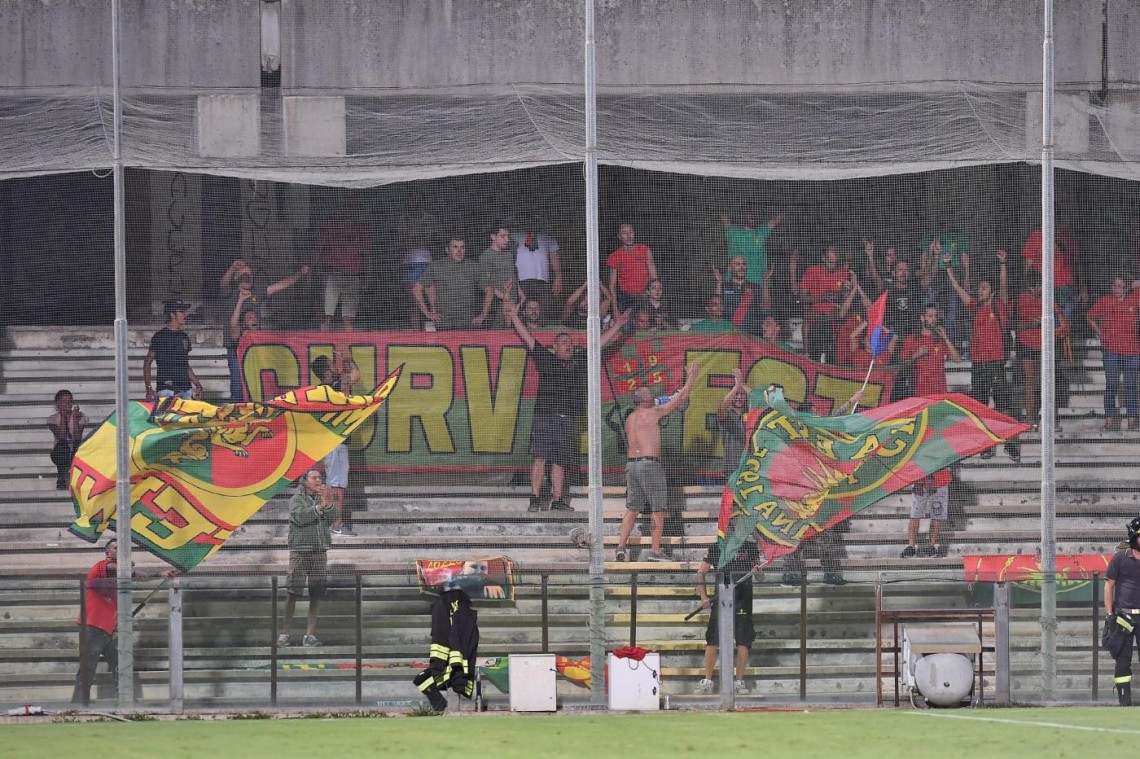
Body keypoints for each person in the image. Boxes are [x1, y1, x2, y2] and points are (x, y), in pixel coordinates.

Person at [505, 301, 629, 512]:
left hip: (567, 417)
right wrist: (515, 317)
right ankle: (534, 498)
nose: (568, 344)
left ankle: (558, 500)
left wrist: (617, 326)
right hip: (545, 416)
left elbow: (599, 344)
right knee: (540, 457)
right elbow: (527, 337)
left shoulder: (580, 360)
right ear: (555, 347)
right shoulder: (545, 358)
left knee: (560, 461)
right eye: (563, 342)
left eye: (570, 342)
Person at [615, 362, 700, 562]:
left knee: (632, 508)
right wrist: (692, 377)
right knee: (658, 508)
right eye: (649, 394)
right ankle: (655, 550)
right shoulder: (653, 412)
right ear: (644, 400)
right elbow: (680, 399)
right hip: (648, 465)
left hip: (631, 466)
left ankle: (621, 547)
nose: (653, 395)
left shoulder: (631, 418)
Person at [780, 387, 865, 586]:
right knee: (796, 533)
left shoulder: (820, 432)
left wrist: (851, 401)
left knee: (824, 532)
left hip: (818, 493)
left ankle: (831, 573)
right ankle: (790, 574)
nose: (819, 414)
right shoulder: (795, 435)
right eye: (815, 411)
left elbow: (834, 419)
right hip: (798, 494)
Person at [72, 540, 172, 704]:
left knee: (122, 667)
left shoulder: (120, 577)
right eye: (116, 548)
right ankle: (77, 705)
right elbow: (124, 570)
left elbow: (134, 574)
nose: (120, 551)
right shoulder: (101, 566)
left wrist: (160, 574)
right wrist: (131, 564)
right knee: (87, 668)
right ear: (107, 553)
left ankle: (126, 703)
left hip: (112, 628)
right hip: (92, 626)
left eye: (123, 548)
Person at [946, 249, 1021, 461]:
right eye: (979, 287)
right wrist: (950, 268)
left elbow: (1004, 286)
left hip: (996, 363)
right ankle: (985, 445)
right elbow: (958, 288)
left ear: (992, 292)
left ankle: (1010, 444)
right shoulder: (974, 307)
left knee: (1003, 406)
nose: (980, 290)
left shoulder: (999, 306)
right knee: (979, 407)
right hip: (978, 364)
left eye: (984, 287)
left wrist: (1003, 265)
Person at [222, 264, 309, 402]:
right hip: (235, 347)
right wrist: (232, 268)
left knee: (257, 382)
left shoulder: (257, 292)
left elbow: (280, 285)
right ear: (237, 278)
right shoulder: (231, 293)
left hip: (255, 347)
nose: (248, 278)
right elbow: (223, 284)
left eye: (250, 276)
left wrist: (299, 273)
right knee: (238, 385)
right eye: (245, 276)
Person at [694, 535, 763, 696]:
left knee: (743, 640)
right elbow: (701, 573)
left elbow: (760, 577)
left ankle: (738, 682)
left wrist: (758, 572)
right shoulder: (717, 546)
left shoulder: (750, 547)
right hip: (721, 599)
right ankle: (707, 681)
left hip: (743, 600)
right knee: (713, 639)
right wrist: (704, 597)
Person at [279, 469, 336, 647]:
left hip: (319, 552)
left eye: (320, 477)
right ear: (305, 481)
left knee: (316, 594)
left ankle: (309, 635)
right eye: (314, 477)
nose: (318, 480)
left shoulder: (323, 498)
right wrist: (320, 508)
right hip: (300, 552)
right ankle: (285, 634)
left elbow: (333, 518)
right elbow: (300, 517)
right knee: (292, 593)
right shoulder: (296, 499)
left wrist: (329, 504)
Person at [311, 354, 360, 536]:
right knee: (337, 485)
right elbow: (355, 375)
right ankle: (336, 525)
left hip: (329, 442)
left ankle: (331, 524)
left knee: (333, 484)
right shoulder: (336, 386)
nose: (335, 368)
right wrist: (348, 357)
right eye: (332, 366)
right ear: (326, 372)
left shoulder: (321, 390)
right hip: (337, 442)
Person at [1086, 275, 1140, 431]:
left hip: (1132, 350)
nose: (1117, 289)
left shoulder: (1134, 299)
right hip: (1111, 350)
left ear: (1126, 288)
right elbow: (1090, 317)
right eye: (1115, 286)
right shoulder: (1105, 301)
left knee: (1131, 385)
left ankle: (1132, 421)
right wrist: (1100, 332)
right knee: (1111, 385)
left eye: (1121, 286)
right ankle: (1109, 420)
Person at [1016, 273, 1069, 429]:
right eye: (1032, 287)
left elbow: (1062, 323)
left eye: (1038, 286)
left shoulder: (1049, 299)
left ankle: (1049, 418)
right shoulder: (1021, 299)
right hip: (1026, 343)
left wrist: (1050, 327)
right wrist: (1031, 323)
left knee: (1046, 381)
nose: (1035, 290)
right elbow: (1013, 324)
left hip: (1045, 344)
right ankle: (1030, 417)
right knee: (1029, 382)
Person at [314, 211, 371, 332]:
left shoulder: (361, 227)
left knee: (349, 318)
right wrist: (311, 267)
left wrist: (367, 277)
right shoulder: (332, 223)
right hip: (333, 275)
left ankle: (347, 347)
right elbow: (319, 247)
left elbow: (366, 254)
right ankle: (323, 343)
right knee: (326, 315)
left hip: (353, 276)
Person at [1105, 516, 1140, 706]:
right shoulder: (1119, 558)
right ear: (1134, 537)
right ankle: (1124, 702)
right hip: (1123, 616)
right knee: (1122, 660)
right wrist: (1110, 615)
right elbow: (1109, 586)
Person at [794, 246, 851, 364]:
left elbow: (846, 297)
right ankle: (808, 354)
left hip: (835, 316)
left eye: (835, 263)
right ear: (823, 258)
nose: (833, 266)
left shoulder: (842, 273)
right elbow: (801, 297)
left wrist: (844, 292)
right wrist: (822, 298)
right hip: (816, 317)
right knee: (811, 318)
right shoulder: (812, 271)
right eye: (830, 262)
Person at [412, 237, 483, 330]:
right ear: (447, 250)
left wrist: (483, 315)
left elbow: (489, 289)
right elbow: (416, 289)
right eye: (455, 247)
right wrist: (428, 313)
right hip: (444, 325)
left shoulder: (473, 267)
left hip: (468, 324)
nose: (459, 251)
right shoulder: (436, 266)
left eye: (462, 247)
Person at [143, 299, 202, 402]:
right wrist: (149, 388)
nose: (185, 314)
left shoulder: (184, 337)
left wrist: (197, 384)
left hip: (185, 389)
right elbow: (147, 362)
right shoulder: (160, 337)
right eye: (181, 311)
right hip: (166, 389)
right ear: (172, 315)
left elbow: (185, 364)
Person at [898, 305, 962, 398]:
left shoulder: (940, 340)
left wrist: (946, 338)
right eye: (930, 316)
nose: (934, 319)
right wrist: (916, 354)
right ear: (922, 318)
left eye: (935, 316)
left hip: (940, 391)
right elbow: (902, 364)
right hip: (920, 392)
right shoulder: (911, 339)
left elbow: (958, 359)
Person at [719, 210, 783, 288]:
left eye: (753, 215)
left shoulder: (761, 232)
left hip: (759, 282)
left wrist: (786, 209)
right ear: (743, 218)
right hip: (735, 281)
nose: (751, 217)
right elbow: (725, 220)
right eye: (749, 215)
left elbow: (774, 221)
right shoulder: (734, 231)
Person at [899, 468, 952, 558]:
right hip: (919, 480)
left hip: (940, 480)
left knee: (937, 514)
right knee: (915, 513)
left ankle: (931, 546)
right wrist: (918, 481)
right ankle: (911, 546)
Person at [607, 223, 657, 313]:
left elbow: (654, 278)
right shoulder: (614, 256)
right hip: (626, 299)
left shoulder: (644, 250)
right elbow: (612, 285)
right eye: (624, 233)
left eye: (631, 232)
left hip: (645, 297)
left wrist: (653, 298)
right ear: (619, 236)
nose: (628, 236)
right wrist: (615, 308)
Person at [475, 224, 517, 329]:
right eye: (503, 236)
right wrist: (505, 298)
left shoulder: (509, 254)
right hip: (497, 305)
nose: (507, 239)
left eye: (508, 236)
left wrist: (521, 294)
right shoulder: (486, 256)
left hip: (513, 302)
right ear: (493, 237)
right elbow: (486, 285)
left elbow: (513, 275)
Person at [715, 255, 768, 334]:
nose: (741, 267)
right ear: (730, 268)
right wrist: (719, 283)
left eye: (743, 264)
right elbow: (716, 307)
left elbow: (766, 306)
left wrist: (765, 282)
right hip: (730, 334)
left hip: (752, 335)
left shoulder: (755, 287)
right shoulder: (723, 287)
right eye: (737, 264)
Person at [513, 226, 563, 312]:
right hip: (520, 280)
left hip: (542, 281)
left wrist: (558, 276)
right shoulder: (513, 235)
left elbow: (554, 255)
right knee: (521, 307)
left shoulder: (548, 234)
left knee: (543, 309)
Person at [47, 389, 86, 489]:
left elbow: (78, 436)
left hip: (75, 449)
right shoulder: (52, 419)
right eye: (64, 401)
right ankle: (61, 478)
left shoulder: (80, 416)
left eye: (69, 400)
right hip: (61, 451)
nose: (67, 403)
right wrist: (63, 417)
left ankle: (76, 480)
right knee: (63, 447)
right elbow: (62, 436)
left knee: (78, 446)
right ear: (58, 404)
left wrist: (75, 419)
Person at [716, 369, 750, 479]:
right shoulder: (726, 416)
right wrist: (736, 387)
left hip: (751, 468)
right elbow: (722, 407)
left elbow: (760, 400)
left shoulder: (753, 414)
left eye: (742, 394)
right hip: (731, 469)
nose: (739, 397)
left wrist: (741, 383)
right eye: (736, 394)